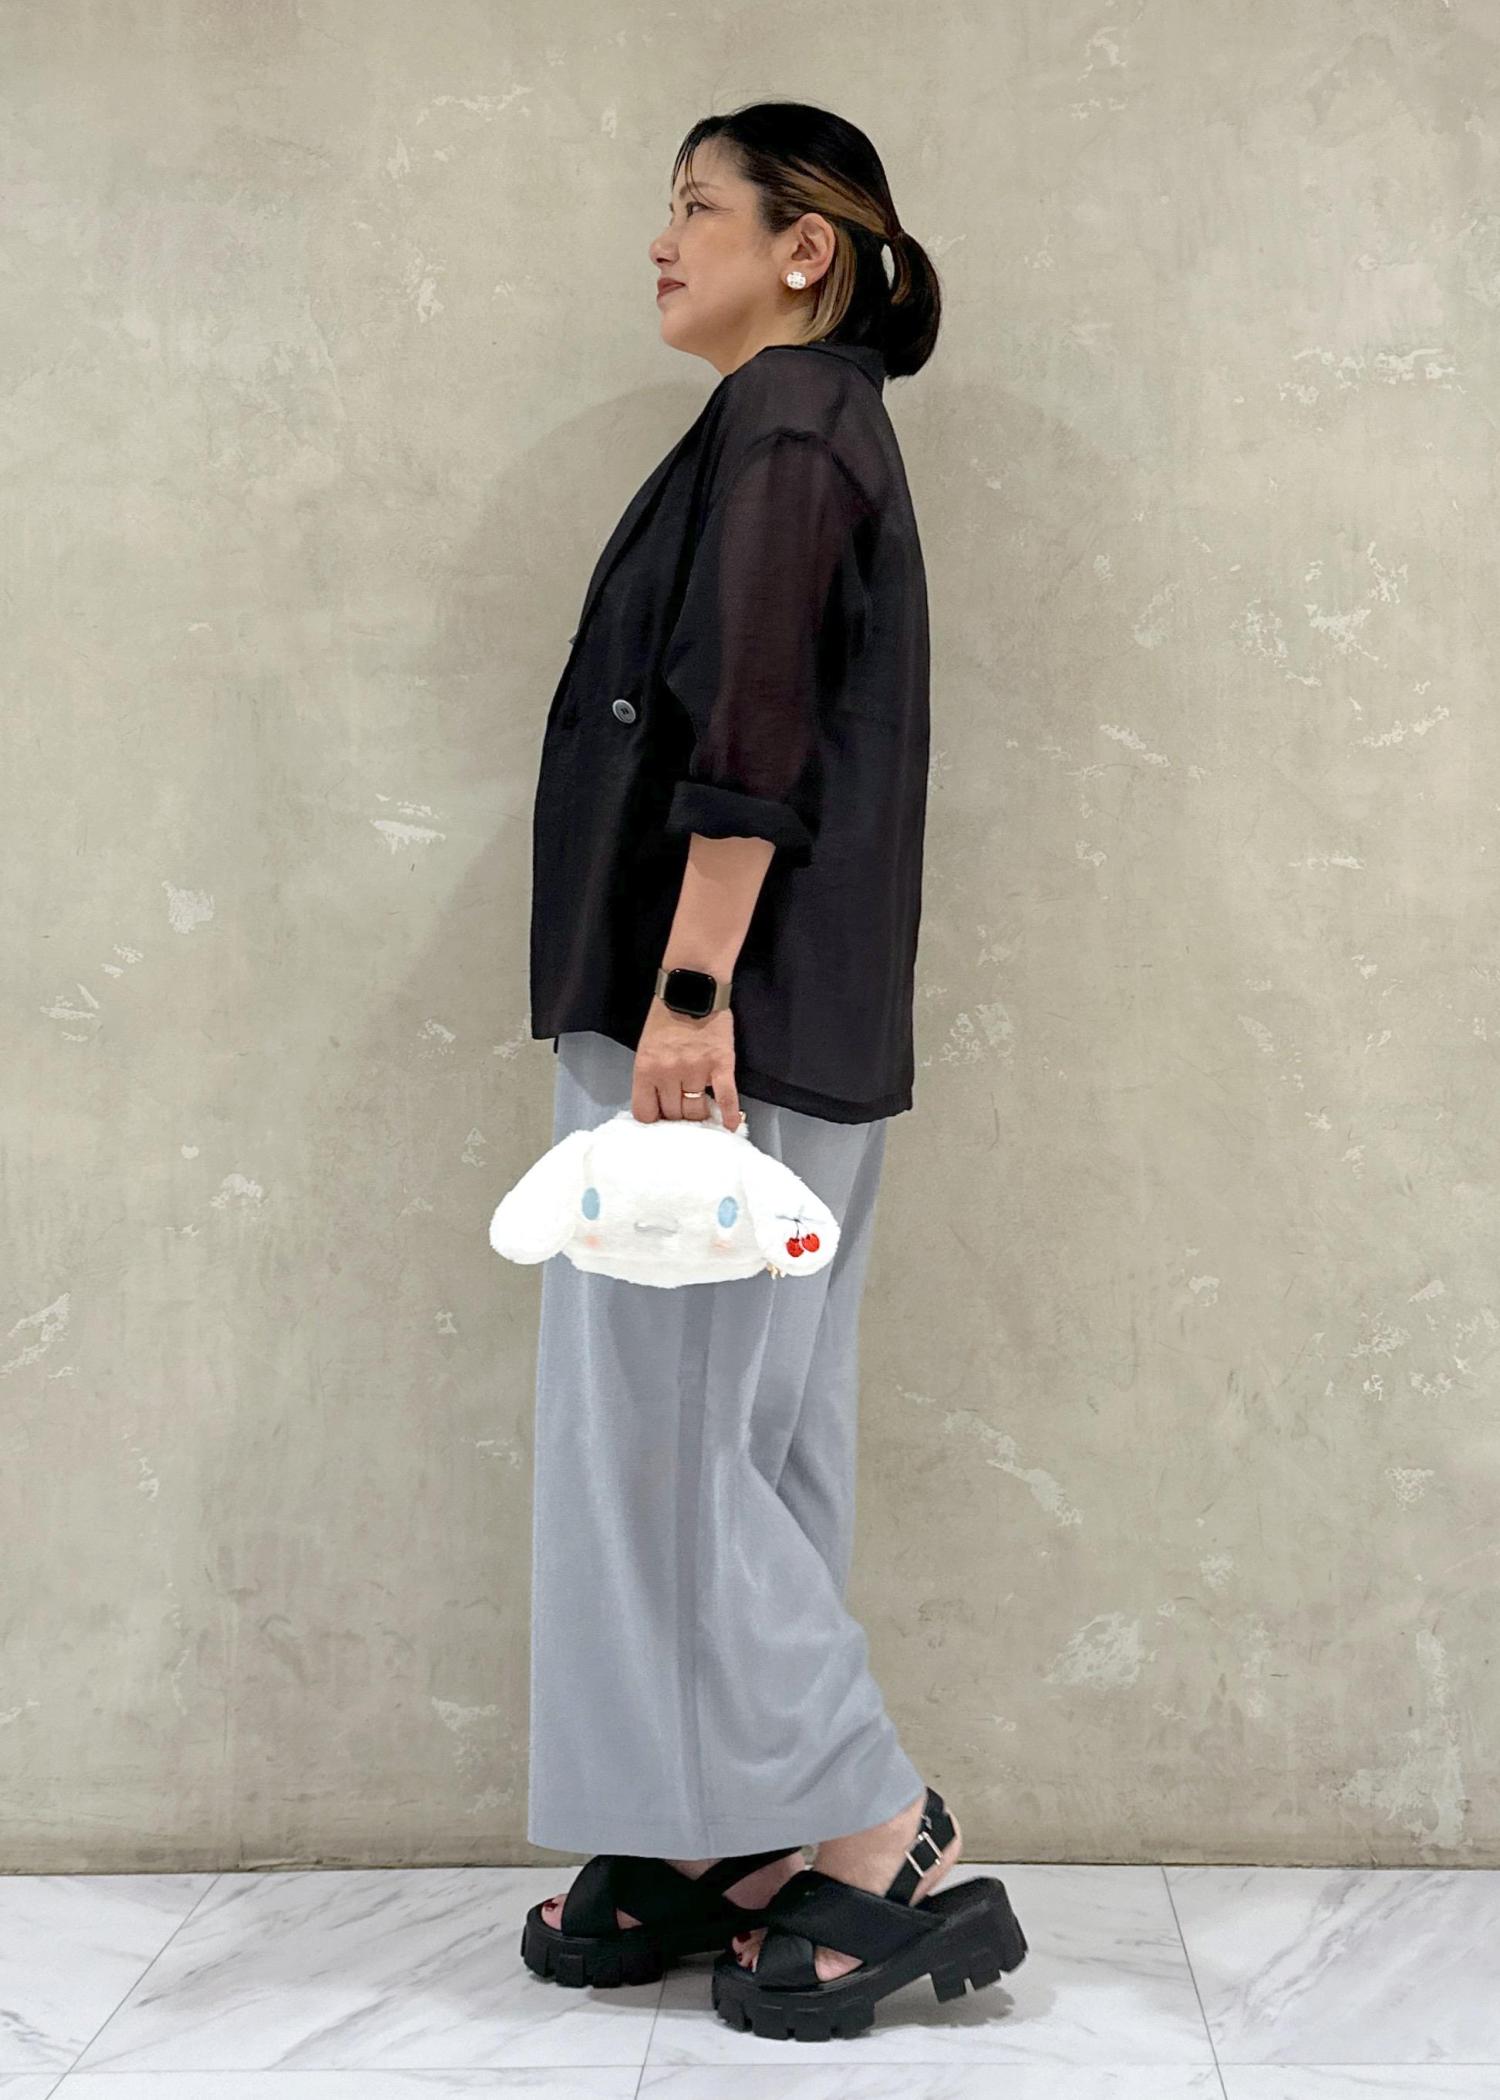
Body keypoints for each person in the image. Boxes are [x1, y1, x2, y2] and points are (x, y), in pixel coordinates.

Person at [519, 101, 1027, 2042]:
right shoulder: (782, 420)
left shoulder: (792, 420)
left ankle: (876, 1824)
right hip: (760, 1019)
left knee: (673, 1446)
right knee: (743, 1439)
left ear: (804, 246)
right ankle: (734, 1828)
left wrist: (687, 990)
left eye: (696, 210)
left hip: (721, 1020)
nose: (662, 243)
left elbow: (755, 722)